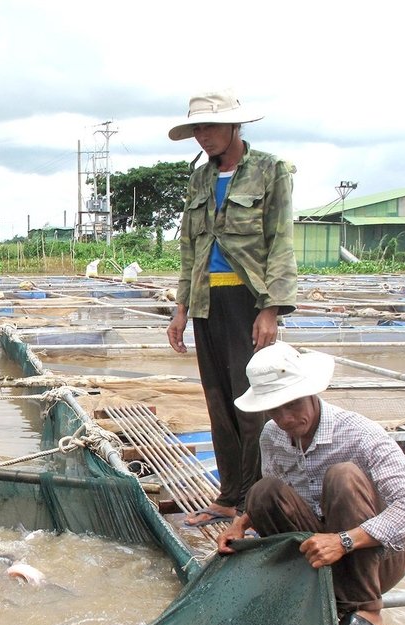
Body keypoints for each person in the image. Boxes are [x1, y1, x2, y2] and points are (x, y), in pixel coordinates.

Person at [214, 343, 405, 625]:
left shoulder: (360, 434)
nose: (285, 418)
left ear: (311, 393)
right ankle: (315, 590)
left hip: (379, 560)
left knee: (343, 476)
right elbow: (274, 489)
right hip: (322, 551)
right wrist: (240, 524)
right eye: (274, 409)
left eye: (292, 405)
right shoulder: (272, 436)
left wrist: (344, 540)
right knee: (262, 492)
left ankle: (366, 608)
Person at [165, 89, 299, 528]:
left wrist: (271, 309)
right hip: (206, 300)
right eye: (197, 129)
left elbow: (280, 241)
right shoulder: (199, 179)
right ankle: (227, 496)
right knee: (218, 400)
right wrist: (181, 307)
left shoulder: (270, 170)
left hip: (248, 299)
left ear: (234, 126)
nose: (203, 136)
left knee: (254, 400)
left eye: (210, 127)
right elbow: (190, 247)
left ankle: (251, 499)